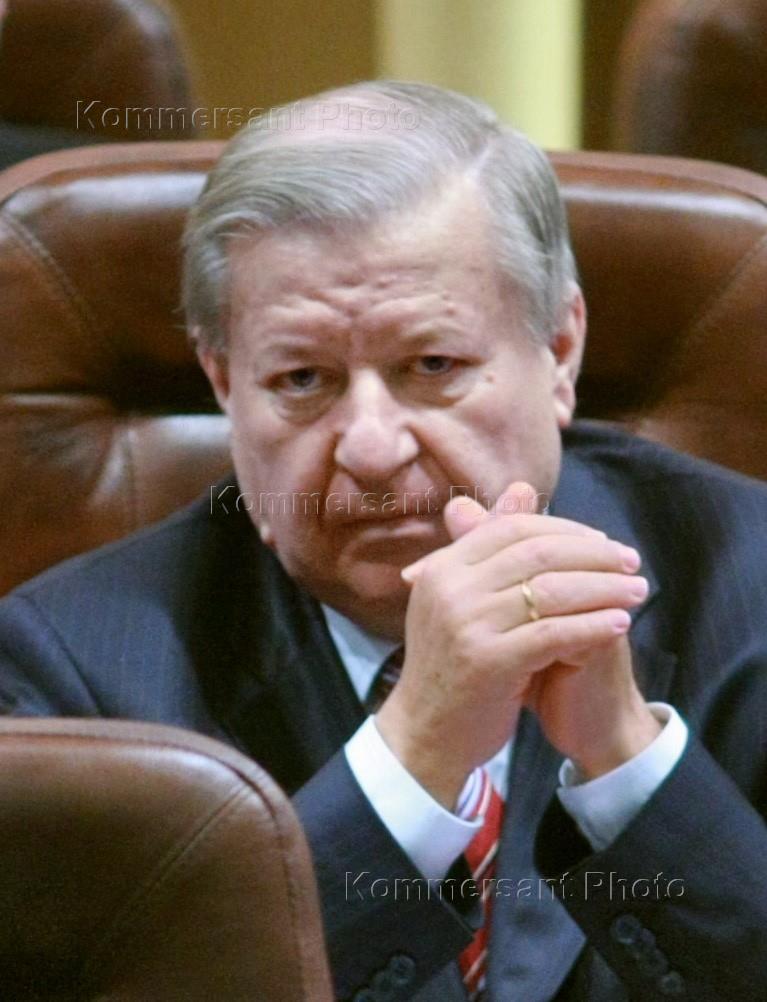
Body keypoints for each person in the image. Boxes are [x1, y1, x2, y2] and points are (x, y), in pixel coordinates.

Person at [0, 81, 765, 1001]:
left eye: (431, 365)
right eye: (302, 378)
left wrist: (629, 766)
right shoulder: (69, 675)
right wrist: (412, 756)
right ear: (223, 383)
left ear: (559, 350)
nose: (369, 448)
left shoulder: (750, 590)